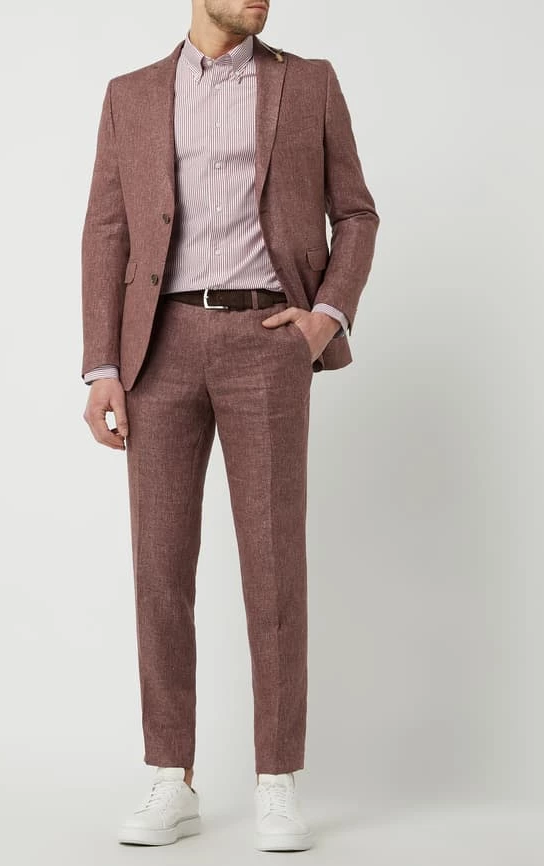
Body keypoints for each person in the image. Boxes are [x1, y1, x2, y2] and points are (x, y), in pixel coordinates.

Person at [80, 0, 379, 852]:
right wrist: (102, 365)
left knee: (274, 564)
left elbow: (356, 213)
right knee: (159, 568)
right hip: (159, 348)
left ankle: (277, 780)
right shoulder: (131, 95)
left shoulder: (309, 84)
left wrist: (324, 317)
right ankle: (169, 777)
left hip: (267, 340)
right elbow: (107, 231)